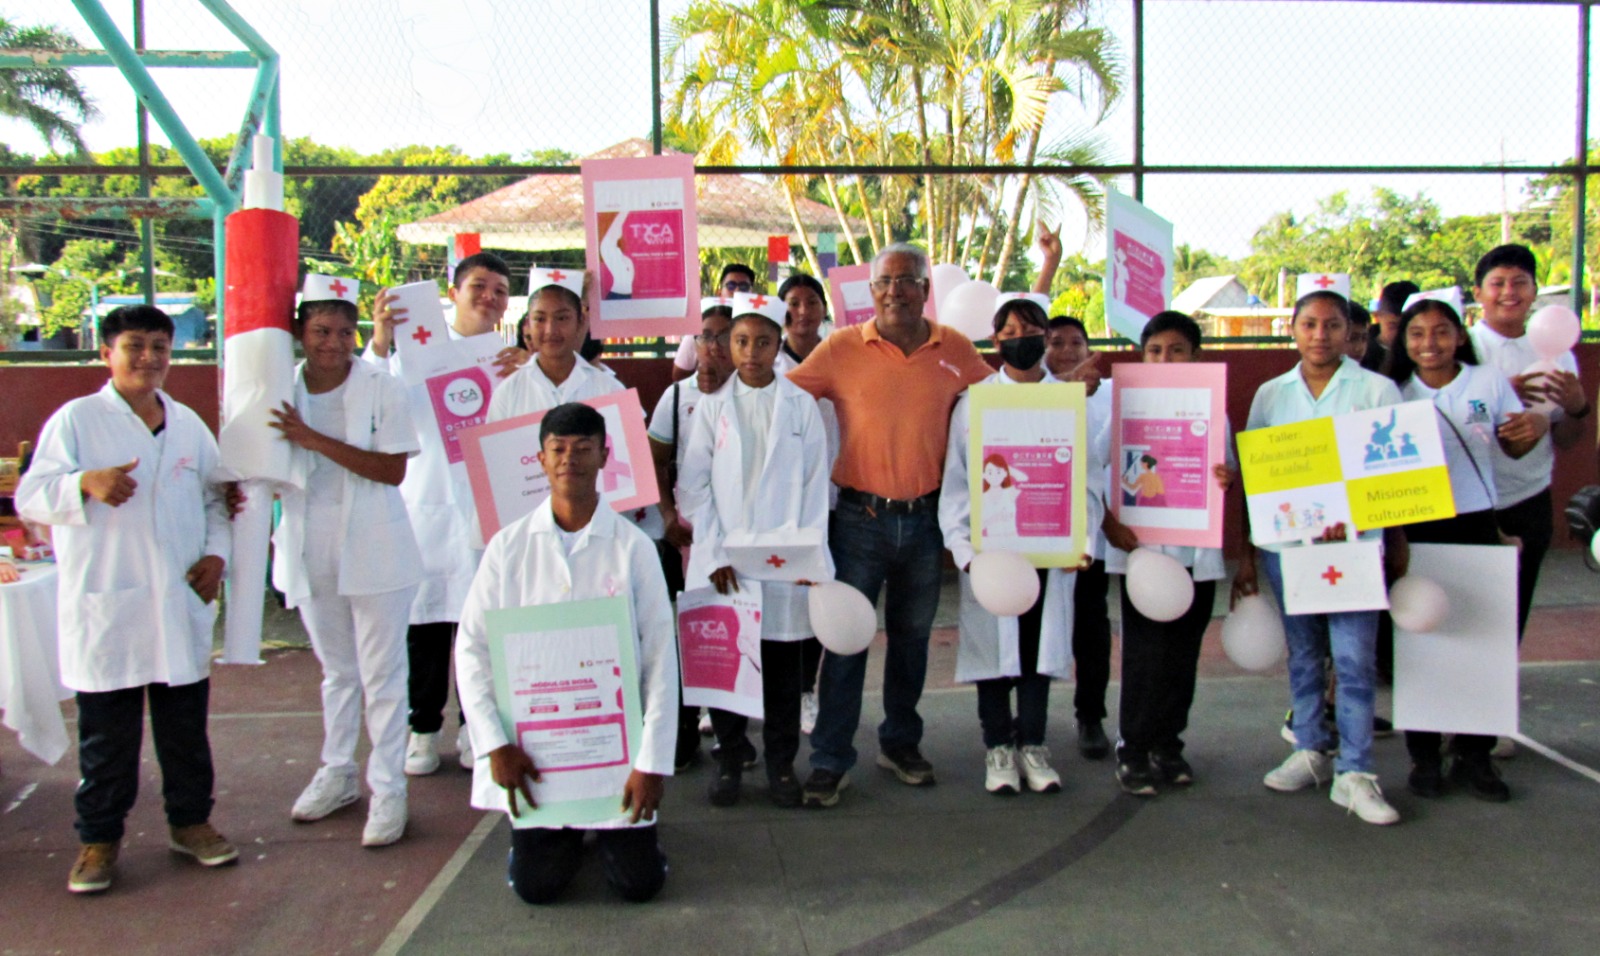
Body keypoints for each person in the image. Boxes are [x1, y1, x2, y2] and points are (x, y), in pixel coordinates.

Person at [18, 304, 240, 894]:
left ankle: (190, 823)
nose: (149, 358)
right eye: (134, 346)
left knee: (185, 731)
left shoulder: (189, 424)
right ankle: (98, 840)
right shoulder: (77, 421)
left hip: (179, 600)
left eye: (160, 347)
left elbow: (220, 500)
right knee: (107, 738)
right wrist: (83, 484)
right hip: (110, 604)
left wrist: (218, 556)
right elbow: (31, 496)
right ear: (106, 352)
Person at [787, 242, 993, 806]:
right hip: (858, 521)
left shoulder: (955, 348)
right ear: (870, 291)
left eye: (907, 280)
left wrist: (1065, 389)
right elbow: (779, 401)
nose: (895, 290)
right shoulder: (840, 348)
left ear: (927, 290)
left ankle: (900, 742)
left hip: (926, 523)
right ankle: (830, 758)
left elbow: (1003, 407)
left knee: (912, 641)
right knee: (845, 643)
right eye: (885, 281)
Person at [456, 403, 678, 904]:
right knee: (538, 889)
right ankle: (559, 835)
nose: (569, 460)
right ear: (540, 458)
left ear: (605, 456)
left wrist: (651, 763)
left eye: (583, 449)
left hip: (614, 755)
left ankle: (624, 836)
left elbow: (661, 661)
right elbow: (471, 650)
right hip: (538, 755)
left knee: (641, 885)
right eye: (558, 449)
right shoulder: (507, 548)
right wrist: (494, 744)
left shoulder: (634, 548)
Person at [1238, 289, 1406, 826]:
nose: (1320, 335)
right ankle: (1310, 748)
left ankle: (1356, 772)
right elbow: (1257, 482)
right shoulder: (1271, 394)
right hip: (1288, 549)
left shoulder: (1377, 391)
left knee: (1355, 660)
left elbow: (1399, 474)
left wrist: (1395, 539)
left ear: (1349, 331)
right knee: (1306, 653)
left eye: (1332, 325)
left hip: (1353, 546)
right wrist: (1247, 552)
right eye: (1309, 323)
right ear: (1292, 328)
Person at [270, 276, 423, 847]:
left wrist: (313, 439)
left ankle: (388, 790)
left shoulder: (383, 387)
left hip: (378, 550)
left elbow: (392, 470)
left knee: (383, 677)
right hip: (310, 549)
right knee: (338, 673)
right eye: (319, 331)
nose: (330, 343)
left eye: (341, 331)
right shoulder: (279, 389)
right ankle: (337, 773)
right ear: (299, 333)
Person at [1385, 296, 1545, 801]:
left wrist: (1532, 428)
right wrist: (1395, 541)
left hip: (1479, 525)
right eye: (1416, 334)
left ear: (1459, 336)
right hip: (1417, 529)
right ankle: (1425, 756)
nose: (1428, 344)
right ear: (1403, 342)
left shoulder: (1488, 383)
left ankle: (1475, 756)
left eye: (1440, 332)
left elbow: (1515, 446)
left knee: (1481, 645)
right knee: (1422, 643)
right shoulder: (1392, 394)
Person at [367, 251, 517, 777]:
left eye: (500, 290)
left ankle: (474, 728)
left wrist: (529, 373)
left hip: (487, 510)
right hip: (426, 506)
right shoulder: (417, 348)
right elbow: (372, 392)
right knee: (426, 628)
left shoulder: (507, 358)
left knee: (480, 629)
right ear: (452, 292)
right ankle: (422, 728)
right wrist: (383, 340)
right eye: (478, 285)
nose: (489, 297)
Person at [679, 292, 832, 808]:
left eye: (763, 341)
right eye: (740, 341)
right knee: (729, 669)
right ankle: (728, 761)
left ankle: (782, 766)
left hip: (783, 565)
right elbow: (693, 486)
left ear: (778, 342)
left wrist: (807, 556)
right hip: (725, 566)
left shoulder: (801, 405)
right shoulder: (711, 408)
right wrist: (716, 552)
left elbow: (815, 486)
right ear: (726, 343)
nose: (750, 352)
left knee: (784, 672)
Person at [939, 298, 1089, 796]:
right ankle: (998, 748)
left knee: (1034, 649)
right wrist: (963, 548)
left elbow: (1085, 478)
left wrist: (1081, 539)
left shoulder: (1068, 400)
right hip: (991, 549)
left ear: (1046, 337)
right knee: (994, 651)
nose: (1018, 337)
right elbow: (957, 479)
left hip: (1049, 547)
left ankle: (1034, 745)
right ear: (994, 339)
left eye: (1029, 329)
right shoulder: (975, 401)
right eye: (1007, 330)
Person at [1100, 311, 1236, 796]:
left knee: (1183, 654)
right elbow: (1094, 468)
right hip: (1145, 554)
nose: (1165, 358)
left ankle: (1168, 745)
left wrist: (1225, 478)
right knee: (1144, 655)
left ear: (1196, 355)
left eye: (1176, 349)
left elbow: (1228, 471)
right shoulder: (1123, 405)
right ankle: (1133, 748)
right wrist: (1108, 522)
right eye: (1155, 350)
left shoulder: (1212, 408)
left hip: (1197, 554)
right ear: (1142, 355)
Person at [1467, 245, 1588, 645]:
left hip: (1528, 496)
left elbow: (1567, 439)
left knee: (1513, 607)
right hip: (1468, 498)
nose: (1508, 292)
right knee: (1463, 600)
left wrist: (1576, 409)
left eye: (1520, 282)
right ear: (1478, 292)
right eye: (1497, 283)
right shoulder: (1462, 349)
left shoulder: (1559, 353)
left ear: (1535, 291)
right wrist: (1498, 395)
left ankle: (1498, 691)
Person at [649, 298, 737, 771]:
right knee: (684, 638)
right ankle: (681, 734)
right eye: (706, 336)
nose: (714, 346)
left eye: (725, 337)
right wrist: (667, 515)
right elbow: (655, 461)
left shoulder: (753, 395)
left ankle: (730, 736)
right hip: (687, 540)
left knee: (729, 635)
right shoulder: (677, 397)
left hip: (737, 543)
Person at [774, 273, 839, 734]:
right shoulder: (763, 358)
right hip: (775, 503)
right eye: (792, 302)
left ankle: (805, 691)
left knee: (817, 594)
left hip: (831, 495)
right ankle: (768, 691)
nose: (802, 311)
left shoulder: (841, 353)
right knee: (778, 599)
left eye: (810, 301)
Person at [488, 268, 622, 420]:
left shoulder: (610, 390)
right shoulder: (508, 393)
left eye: (562, 318)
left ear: (580, 322)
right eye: (540, 319)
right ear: (528, 324)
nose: (550, 330)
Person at [670, 263, 759, 382]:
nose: (737, 291)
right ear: (719, 292)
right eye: (731, 286)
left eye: (744, 287)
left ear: (751, 294)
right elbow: (679, 374)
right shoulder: (701, 327)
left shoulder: (758, 329)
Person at [1365, 280, 1420, 373]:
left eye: (1415, 329)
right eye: (1393, 326)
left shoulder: (1424, 357)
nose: (1403, 334)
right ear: (1377, 316)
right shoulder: (1361, 354)